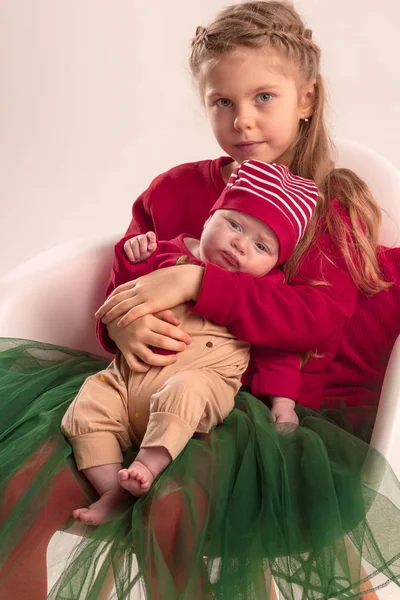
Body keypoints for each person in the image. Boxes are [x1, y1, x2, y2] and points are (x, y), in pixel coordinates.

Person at [2, 2, 400, 599]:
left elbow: (314, 319)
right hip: (138, 388)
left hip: (252, 411)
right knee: (15, 488)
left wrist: (197, 283)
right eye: (223, 102)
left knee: (173, 511)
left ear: (307, 99)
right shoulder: (173, 190)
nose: (243, 120)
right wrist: (124, 330)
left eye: (264, 97)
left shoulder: (326, 207)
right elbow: (125, 282)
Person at [61, 160, 318, 524]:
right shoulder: (166, 253)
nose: (240, 245)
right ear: (210, 217)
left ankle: (147, 466)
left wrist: (284, 403)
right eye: (234, 224)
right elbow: (124, 293)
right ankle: (111, 489)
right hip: (129, 379)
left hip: (199, 382)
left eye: (261, 246)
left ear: (276, 263)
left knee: (188, 388)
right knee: (90, 400)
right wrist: (132, 258)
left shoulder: (264, 291)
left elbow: (279, 348)